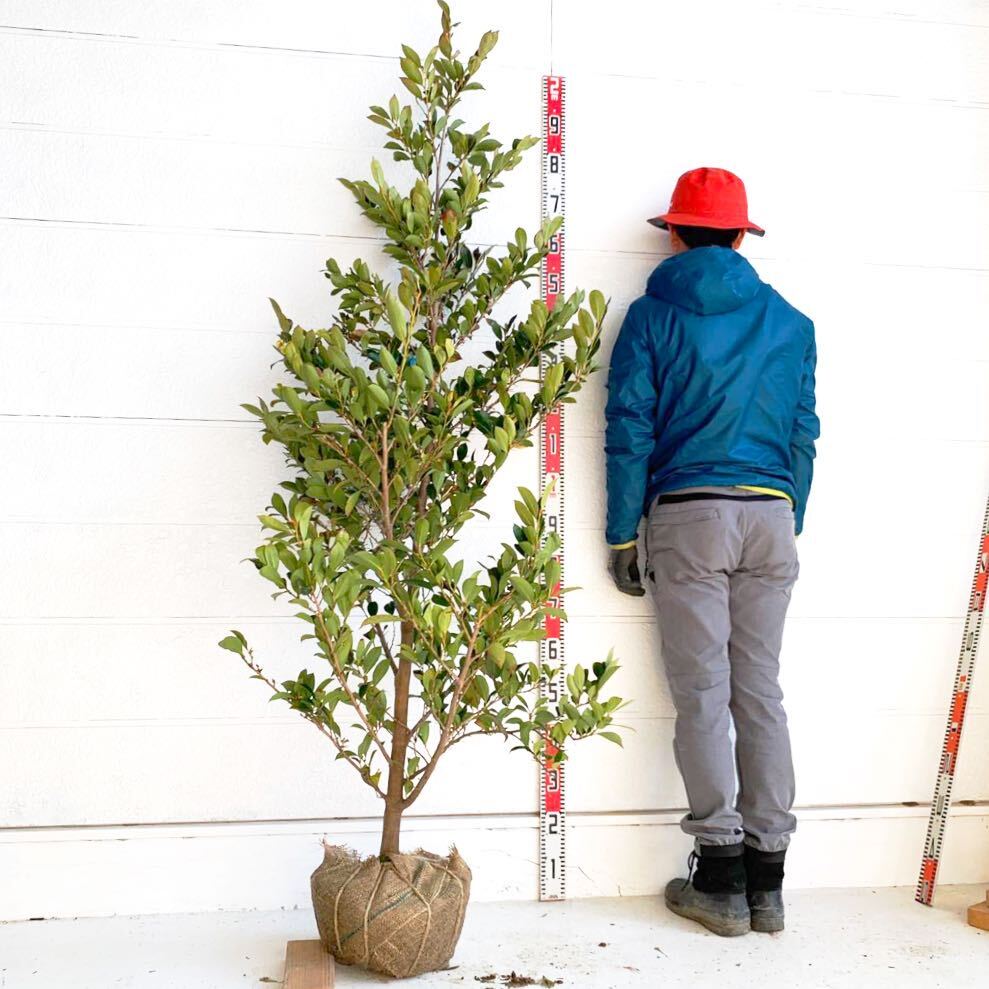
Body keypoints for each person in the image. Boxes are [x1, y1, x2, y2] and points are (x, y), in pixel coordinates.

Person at [604, 166, 820, 936]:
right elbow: (802, 436)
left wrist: (623, 531)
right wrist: (785, 512)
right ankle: (769, 884)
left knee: (703, 694)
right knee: (759, 691)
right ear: (739, 235)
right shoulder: (792, 322)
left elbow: (629, 423)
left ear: (673, 232)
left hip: (688, 518)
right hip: (768, 517)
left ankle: (719, 876)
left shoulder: (649, 315)